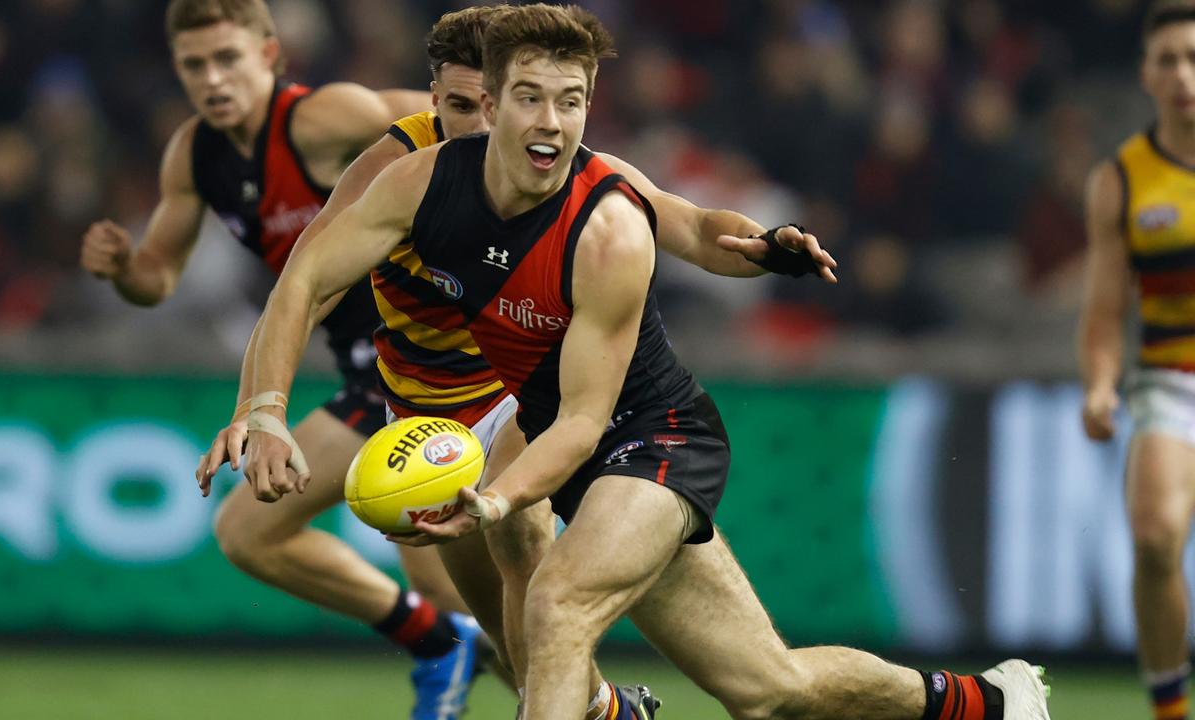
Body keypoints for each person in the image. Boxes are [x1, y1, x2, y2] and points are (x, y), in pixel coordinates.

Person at [222, 4, 1055, 719]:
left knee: (552, 604)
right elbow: (302, 282)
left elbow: (603, 390)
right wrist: (261, 412)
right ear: (491, 103)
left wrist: (497, 495)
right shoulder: (418, 180)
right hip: (545, 426)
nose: (549, 122)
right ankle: (993, 702)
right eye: (528, 100)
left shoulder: (607, 223)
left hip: (649, 438)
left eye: (572, 103)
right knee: (769, 689)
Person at [77, 2, 488, 718]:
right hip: (369, 378)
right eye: (194, 65)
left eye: (227, 59)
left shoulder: (325, 119)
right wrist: (122, 271)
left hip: (428, 365)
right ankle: (453, 647)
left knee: (452, 582)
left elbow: (447, 123)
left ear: (269, 55)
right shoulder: (195, 156)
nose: (212, 78)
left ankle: (569, 694)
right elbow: (159, 280)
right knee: (249, 534)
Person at [1080, 3, 1195, 719]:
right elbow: (1103, 310)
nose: (1184, 74)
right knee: (1154, 538)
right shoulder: (1121, 179)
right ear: (1145, 75)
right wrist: (1099, 384)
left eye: (1193, 55)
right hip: (1169, 381)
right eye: (1168, 60)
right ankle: (1169, 710)